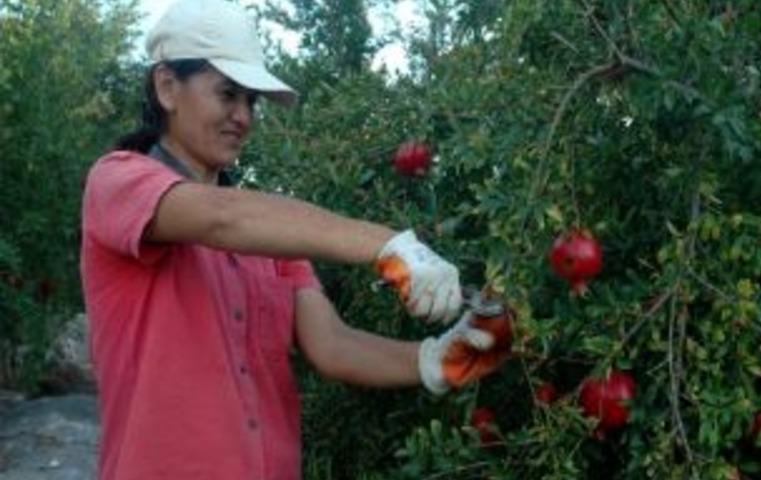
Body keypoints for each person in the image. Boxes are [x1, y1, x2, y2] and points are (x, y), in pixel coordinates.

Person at [79, 1, 510, 479]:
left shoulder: (272, 237)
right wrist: (392, 246)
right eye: (228, 94)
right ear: (166, 86)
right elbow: (222, 218)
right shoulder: (118, 182)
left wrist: (437, 361)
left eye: (252, 101)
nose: (243, 116)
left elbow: (332, 346)